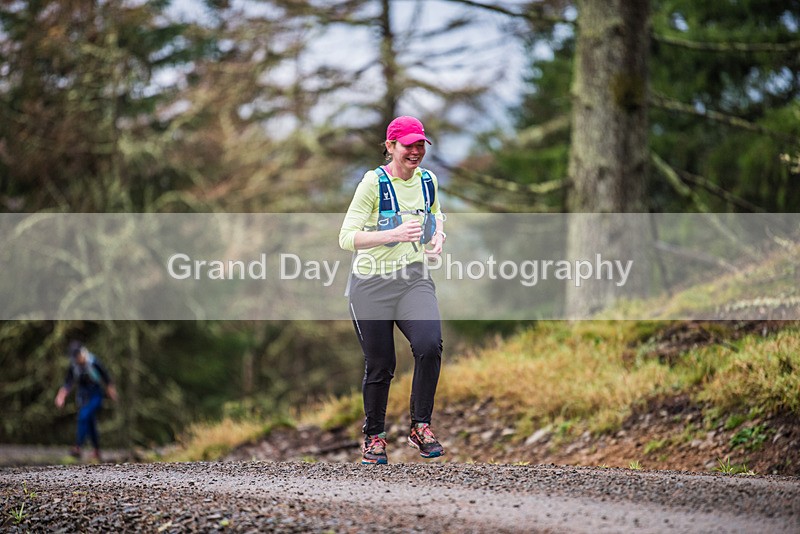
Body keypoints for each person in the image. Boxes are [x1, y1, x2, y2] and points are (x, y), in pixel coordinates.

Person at [339, 116, 447, 464]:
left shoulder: (427, 180)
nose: (415, 152)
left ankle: (420, 425)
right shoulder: (373, 183)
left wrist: (439, 236)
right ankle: (374, 437)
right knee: (381, 364)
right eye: (408, 145)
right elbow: (346, 238)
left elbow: (435, 213)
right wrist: (393, 234)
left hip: (413, 279)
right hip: (370, 286)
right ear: (390, 146)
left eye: (420, 145)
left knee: (429, 346)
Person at [55, 340, 117, 462]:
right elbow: (68, 383)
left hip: (96, 395)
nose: (76, 360)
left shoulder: (93, 362)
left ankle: (78, 447)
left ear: (82, 352)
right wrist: (61, 396)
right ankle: (97, 450)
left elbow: (106, 378)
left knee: (84, 416)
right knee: (90, 422)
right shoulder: (74, 366)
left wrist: (112, 392)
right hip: (83, 395)